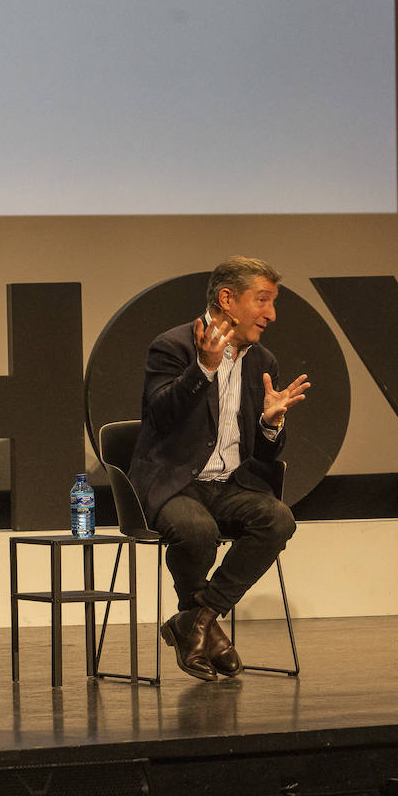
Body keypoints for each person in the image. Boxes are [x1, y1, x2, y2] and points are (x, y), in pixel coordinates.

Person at [129, 256, 310, 681]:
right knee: (197, 530)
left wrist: (270, 424)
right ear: (226, 299)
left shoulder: (262, 360)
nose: (271, 314)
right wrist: (204, 369)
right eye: (262, 300)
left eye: (272, 302)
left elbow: (264, 456)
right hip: (173, 484)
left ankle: (198, 620)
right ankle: (201, 626)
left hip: (229, 483)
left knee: (277, 519)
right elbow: (159, 416)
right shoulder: (172, 347)